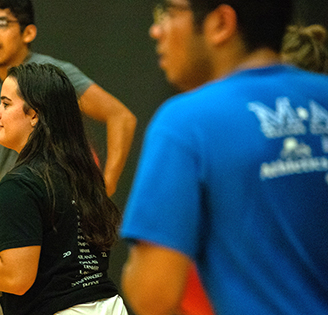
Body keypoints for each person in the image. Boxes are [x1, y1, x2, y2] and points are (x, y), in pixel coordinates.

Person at [120, 0, 328, 315]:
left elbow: (152, 296)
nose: (156, 30)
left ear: (221, 23)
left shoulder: (186, 122)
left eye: (169, 12)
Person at [0, 63, 129, 315]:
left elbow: (16, 279)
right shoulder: (83, 175)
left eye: (6, 104)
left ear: (34, 114)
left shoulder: (20, 185)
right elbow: (52, 256)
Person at [0, 0, 137, 217]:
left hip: (53, 216)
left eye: (1, 24)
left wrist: (105, 189)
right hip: (15, 210)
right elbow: (2, 167)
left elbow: (121, 117)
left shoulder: (53, 75)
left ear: (28, 33)